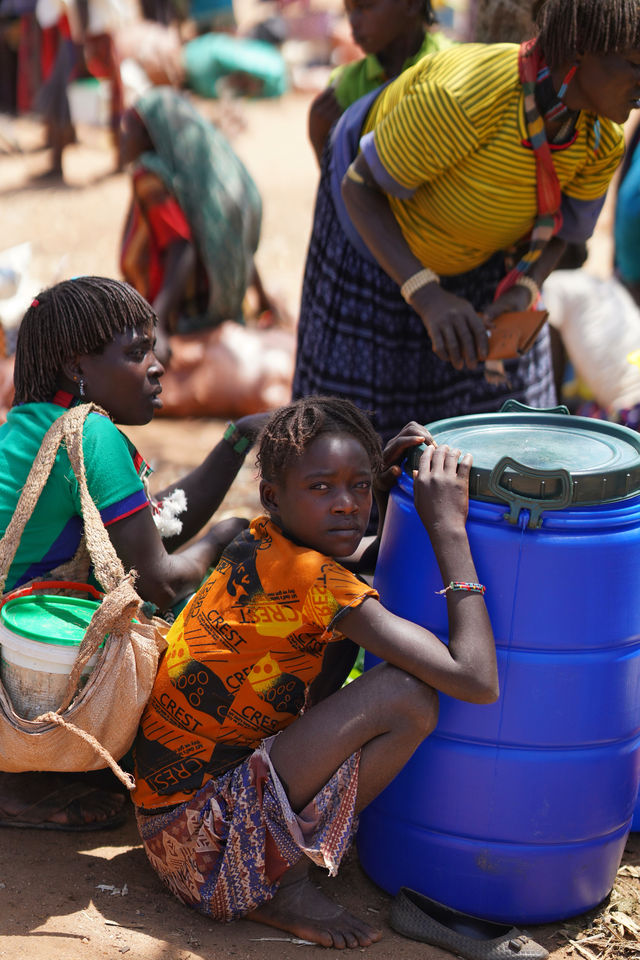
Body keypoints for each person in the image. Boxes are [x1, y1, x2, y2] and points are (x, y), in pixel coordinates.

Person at [132, 395, 498, 949]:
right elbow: (476, 679)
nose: (348, 505)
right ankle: (285, 884)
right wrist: (449, 528)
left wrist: (384, 491)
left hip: (164, 830)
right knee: (407, 694)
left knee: (339, 650)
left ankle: (285, 855)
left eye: (358, 486)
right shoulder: (314, 581)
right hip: (209, 850)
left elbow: (356, 559)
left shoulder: (259, 538)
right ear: (274, 496)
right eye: (322, 487)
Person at [293, 0, 640, 447]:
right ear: (577, 50)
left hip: (487, 251)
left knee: (500, 432)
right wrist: (426, 292)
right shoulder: (467, 96)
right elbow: (359, 188)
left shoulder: (600, 137)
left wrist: (523, 290)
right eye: (633, 64)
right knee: (358, 433)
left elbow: (564, 235)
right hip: (375, 236)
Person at [0, 275, 266, 831]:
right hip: (19, 661)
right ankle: (25, 778)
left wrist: (237, 439)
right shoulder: (89, 434)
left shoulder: (33, 422)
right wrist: (232, 536)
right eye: (135, 352)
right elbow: (159, 578)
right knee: (206, 599)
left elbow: (151, 527)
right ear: (79, 367)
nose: (157, 365)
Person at [119, 87, 278, 365]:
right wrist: (262, 300)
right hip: (218, 307)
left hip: (182, 314)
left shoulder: (150, 175)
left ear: (149, 135)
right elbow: (231, 240)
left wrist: (158, 326)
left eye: (128, 129)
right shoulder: (196, 176)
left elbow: (182, 248)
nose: (121, 138)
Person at [308, 0, 451, 165]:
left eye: (365, 7)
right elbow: (338, 182)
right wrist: (321, 140)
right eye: (349, 10)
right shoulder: (345, 85)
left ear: (412, 4)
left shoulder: (451, 65)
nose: (353, 21)